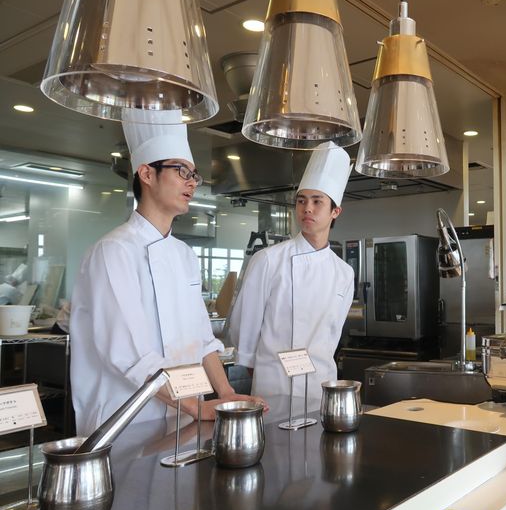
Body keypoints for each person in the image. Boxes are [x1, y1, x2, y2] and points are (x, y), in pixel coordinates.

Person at [70, 110, 263, 435]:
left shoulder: (184, 254)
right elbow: (126, 352)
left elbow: (203, 340)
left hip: (183, 417)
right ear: (147, 173)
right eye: (181, 170)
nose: (192, 182)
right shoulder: (113, 251)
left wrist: (226, 395)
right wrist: (195, 407)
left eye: (194, 175)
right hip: (126, 418)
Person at [228, 141, 354, 402]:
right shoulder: (268, 260)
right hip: (274, 386)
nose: (307, 208)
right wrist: (261, 372)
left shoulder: (343, 272)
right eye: (301, 201)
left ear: (335, 211)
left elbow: (333, 334)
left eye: (317, 202)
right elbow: (245, 326)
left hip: (321, 386)